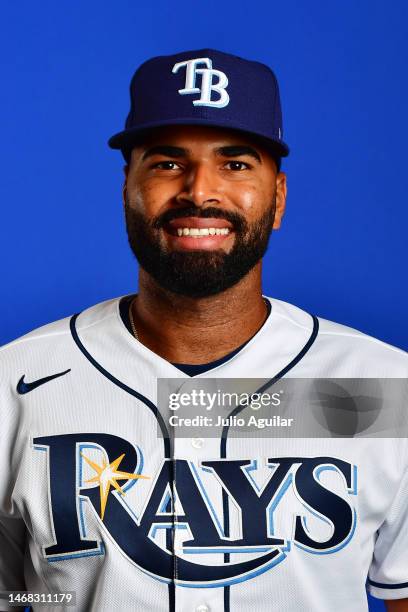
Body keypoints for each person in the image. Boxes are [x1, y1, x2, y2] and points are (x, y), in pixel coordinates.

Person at [0, 49, 407, 612]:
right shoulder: (13, 383)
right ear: (127, 189)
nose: (199, 191)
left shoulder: (381, 386)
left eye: (235, 164)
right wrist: (52, 598)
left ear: (279, 198)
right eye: (167, 163)